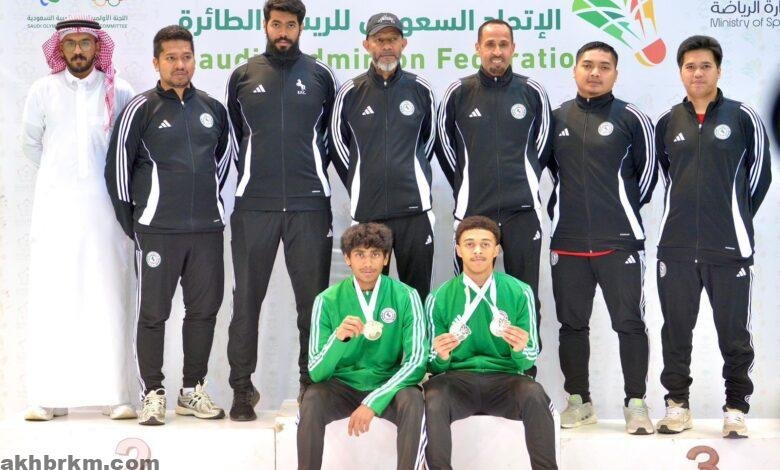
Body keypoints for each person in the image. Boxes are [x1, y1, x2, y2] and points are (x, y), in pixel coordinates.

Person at [105, 25, 233, 425]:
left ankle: (192, 391)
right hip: (157, 231)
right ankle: (153, 393)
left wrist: (213, 211)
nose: (180, 65)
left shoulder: (213, 109)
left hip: (206, 231)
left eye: (186, 57)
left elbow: (224, 165)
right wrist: (137, 224)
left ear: (194, 60)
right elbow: (117, 171)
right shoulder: (140, 109)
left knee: (204, 311)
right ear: (156, 62)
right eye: (171, 58)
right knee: (153, 313)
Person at [224, 0, 338, 420]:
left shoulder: (321, 76)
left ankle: (311, 385)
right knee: (246, 303)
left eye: (290, 24)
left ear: (301, 27)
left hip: (310, 206)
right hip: (255, 205)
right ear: (266, 25)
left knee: (313, 306)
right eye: (276, 24)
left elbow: (332, 138)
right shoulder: (243, 76)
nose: (283, 31)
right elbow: (235, 139)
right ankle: (241, 390)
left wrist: (312, 178)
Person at [21, 15, 137, 421]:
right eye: (69, 44)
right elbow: (31, 145)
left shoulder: (119, 90)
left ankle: (116, 395)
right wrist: (62, 178)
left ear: (97, 46)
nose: (77, 50)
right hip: (56, 214)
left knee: (110, 297)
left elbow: (128, 151)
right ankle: (46, 397)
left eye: (85, 43)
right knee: (53, 298)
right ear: (60, 49)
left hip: (107, 213)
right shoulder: (42, 90)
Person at [655, 35, 771, 438]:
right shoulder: (668, 122)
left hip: (729, 248)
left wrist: (732, 217)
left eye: (705, 66)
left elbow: (759, 178)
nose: (698, 73)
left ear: (718, 70)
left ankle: (736, 408)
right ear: (681, 73)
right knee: (675, 331)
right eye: (690, 66)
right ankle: (677, 405)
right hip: (676, 248)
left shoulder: (743, 118)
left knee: (734, 335)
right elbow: (665, 176)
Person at [545, 41, 657, 434]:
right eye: (588, 65)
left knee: (629, 323)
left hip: (620, 241)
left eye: (604, 66)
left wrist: (618, 212)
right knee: (571, 325)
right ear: (575, 69)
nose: (595, 73)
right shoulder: (556, 118)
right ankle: (579, 402)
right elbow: (547, 170)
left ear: (615, 73)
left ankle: (636, 404)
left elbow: (647, 177)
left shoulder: (632, 118)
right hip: (568, 241)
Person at [435, 19, 552, 376]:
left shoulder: (532, 92)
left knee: (526, 296)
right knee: (466, 296)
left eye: (503, 44)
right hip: (474, 213)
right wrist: (468, 186)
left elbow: (542, 147)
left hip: (522, 212)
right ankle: (463, 372)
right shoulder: (458, 92)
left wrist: (523, 181)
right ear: (478, 48)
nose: (497, 51)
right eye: (490, 44)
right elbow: (444, 147)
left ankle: (525, 375)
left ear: (513, 49)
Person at [424, 216, 557, 470]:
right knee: (433, 397)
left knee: (535, 394)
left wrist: (519, 350)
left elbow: (528, 358)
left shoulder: (520, 291)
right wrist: (441, 356)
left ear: (497, 250)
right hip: (457, 381)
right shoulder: (438, 297)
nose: (477, 250)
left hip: (506, 380)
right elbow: (432, 364)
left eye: (485, 244)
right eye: (469, 244)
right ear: (458, 250)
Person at [297, 223, 427, 470]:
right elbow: (316, 373)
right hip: (342, 386)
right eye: (360, 255)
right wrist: (338, 339)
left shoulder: (406, 295)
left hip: (387, 385)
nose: (368, 263)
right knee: (312, 399)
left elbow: (417, 362)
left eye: (375, 254)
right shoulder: (326, 300)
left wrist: (374, 401)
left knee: (412, 398)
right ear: (347, 258)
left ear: (386, 258)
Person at [330, 12, 436, 300]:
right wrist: (363, 180)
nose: (386, 46)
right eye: (379, 40)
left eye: (392, 39)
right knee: (370, 299)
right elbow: (339, 147)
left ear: (403, 44)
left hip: (415, 213)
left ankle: (417, 335)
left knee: (418, 296)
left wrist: (410, 172)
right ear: (367, 45)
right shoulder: (350, 93)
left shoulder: (421, 89)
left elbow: (429, 141)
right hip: (368, 215)